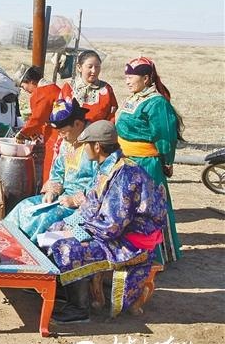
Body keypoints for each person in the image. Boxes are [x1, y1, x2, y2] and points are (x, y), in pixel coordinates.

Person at [46, 121, 168, 323]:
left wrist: (79, 232)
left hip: (130, 241)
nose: (83, 149)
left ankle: (79, 309)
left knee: (67, 248)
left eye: (85, 145)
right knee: (53, 230)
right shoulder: (107, 167)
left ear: (97, 146)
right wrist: (70, 224)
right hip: (111, 232)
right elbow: (92, 204)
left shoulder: (125, 175)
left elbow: (112, 225)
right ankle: (65, 290)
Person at [115, 56, 182, 263]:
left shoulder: (157, 103)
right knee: (128, 208)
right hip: (127, 161)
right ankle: (130, 252)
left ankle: (155, 256)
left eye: (132, 77)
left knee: (149, 208)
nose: (127, 81)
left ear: (146, 78)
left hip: (146, 164)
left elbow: (165, 136)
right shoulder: (134, 98)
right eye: (126, 76)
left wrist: (167, 162)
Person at [5, 99, 97, 243]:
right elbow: (58, 170)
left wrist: (74, 200)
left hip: (82, 205)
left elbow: (101, 184)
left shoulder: (95, 146)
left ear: (78, 124)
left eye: (63, 132)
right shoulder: (68, 142)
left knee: (43, 218)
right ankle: (4, 242)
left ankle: (26, 251)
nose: (61, 136)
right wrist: (52, 192)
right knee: (23, 207)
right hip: (61, 198)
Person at [12, 64, 61, 186]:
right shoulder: (53, 88)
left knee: (52, 167)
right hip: (60, 131)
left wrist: (23, 133)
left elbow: (38, 119)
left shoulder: (43, 92)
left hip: (56, 135)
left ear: (31, 81)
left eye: (23, 86)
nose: (25, 90)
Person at [59, 50, 118, 122]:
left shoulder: (106, 89)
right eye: (90, 67)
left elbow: (111, 118)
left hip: (98, 129)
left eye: (97, 67)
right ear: (79, 67)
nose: (94, 71)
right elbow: (59, 116)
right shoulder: (68, 88)